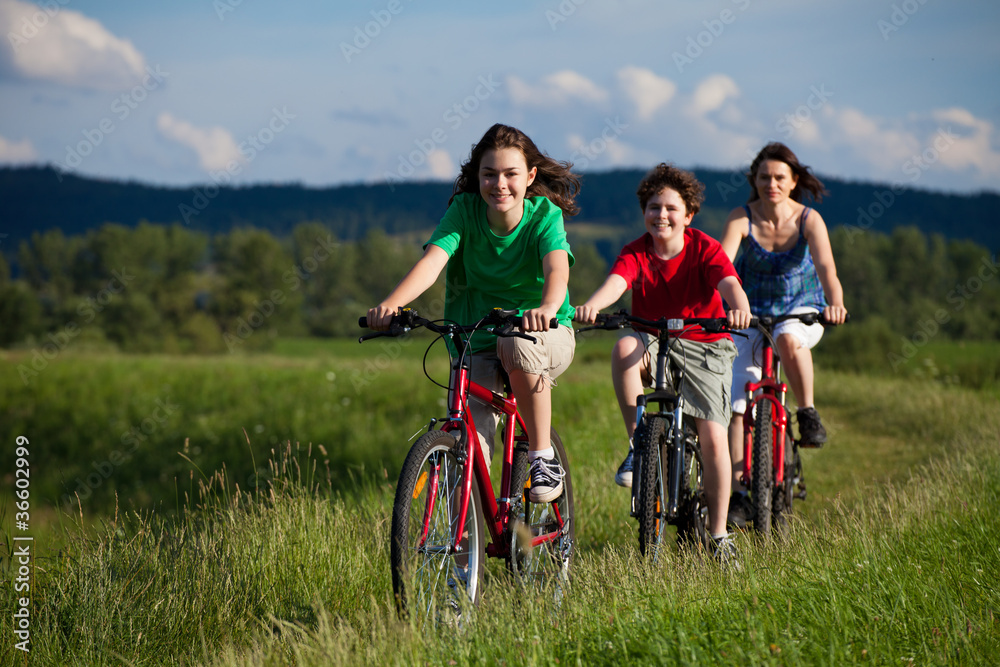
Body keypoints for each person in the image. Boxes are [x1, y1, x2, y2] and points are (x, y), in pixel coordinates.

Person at [367, 123, 579, 504]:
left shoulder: (544, 215)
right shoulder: (464, 212)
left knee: (515, 345)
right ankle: (466, 554)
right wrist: (393, 304)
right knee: (467, 454)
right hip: (476, 341)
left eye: (511, 174)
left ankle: (542, 456)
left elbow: (557, 269)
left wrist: (547, 308)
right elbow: (433, 262)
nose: (500, 184)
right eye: (489, 174)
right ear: (477, 176)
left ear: (530, 177)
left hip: (543, 334)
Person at [575, 163, 753, 559]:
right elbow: (617, 282)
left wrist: (738, 307)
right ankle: (639, 445)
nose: (662, 215)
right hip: (655, 339)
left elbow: (729, 284)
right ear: (644, 213)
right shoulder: (637, 251)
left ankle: (719, 534)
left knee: (712, 437)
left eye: (671, 208)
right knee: (623, 347)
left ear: (688, 215)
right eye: (654, 207)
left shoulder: (705, 248)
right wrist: (591, 305)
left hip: (705, 344)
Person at [719, 142, 848, 528]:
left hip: (801, 309)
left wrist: (835, 303)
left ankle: (806, 412)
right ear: (754, 181)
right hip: (751, 314)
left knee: (791, 339)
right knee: (737, 397)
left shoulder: (809, 219)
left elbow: (827, 267)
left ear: (793, 182)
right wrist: (716, 307)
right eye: (763, 177)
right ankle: (740, 493)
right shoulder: (741, 219)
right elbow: (721, 266)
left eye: (779, 178)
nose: (770, 184)